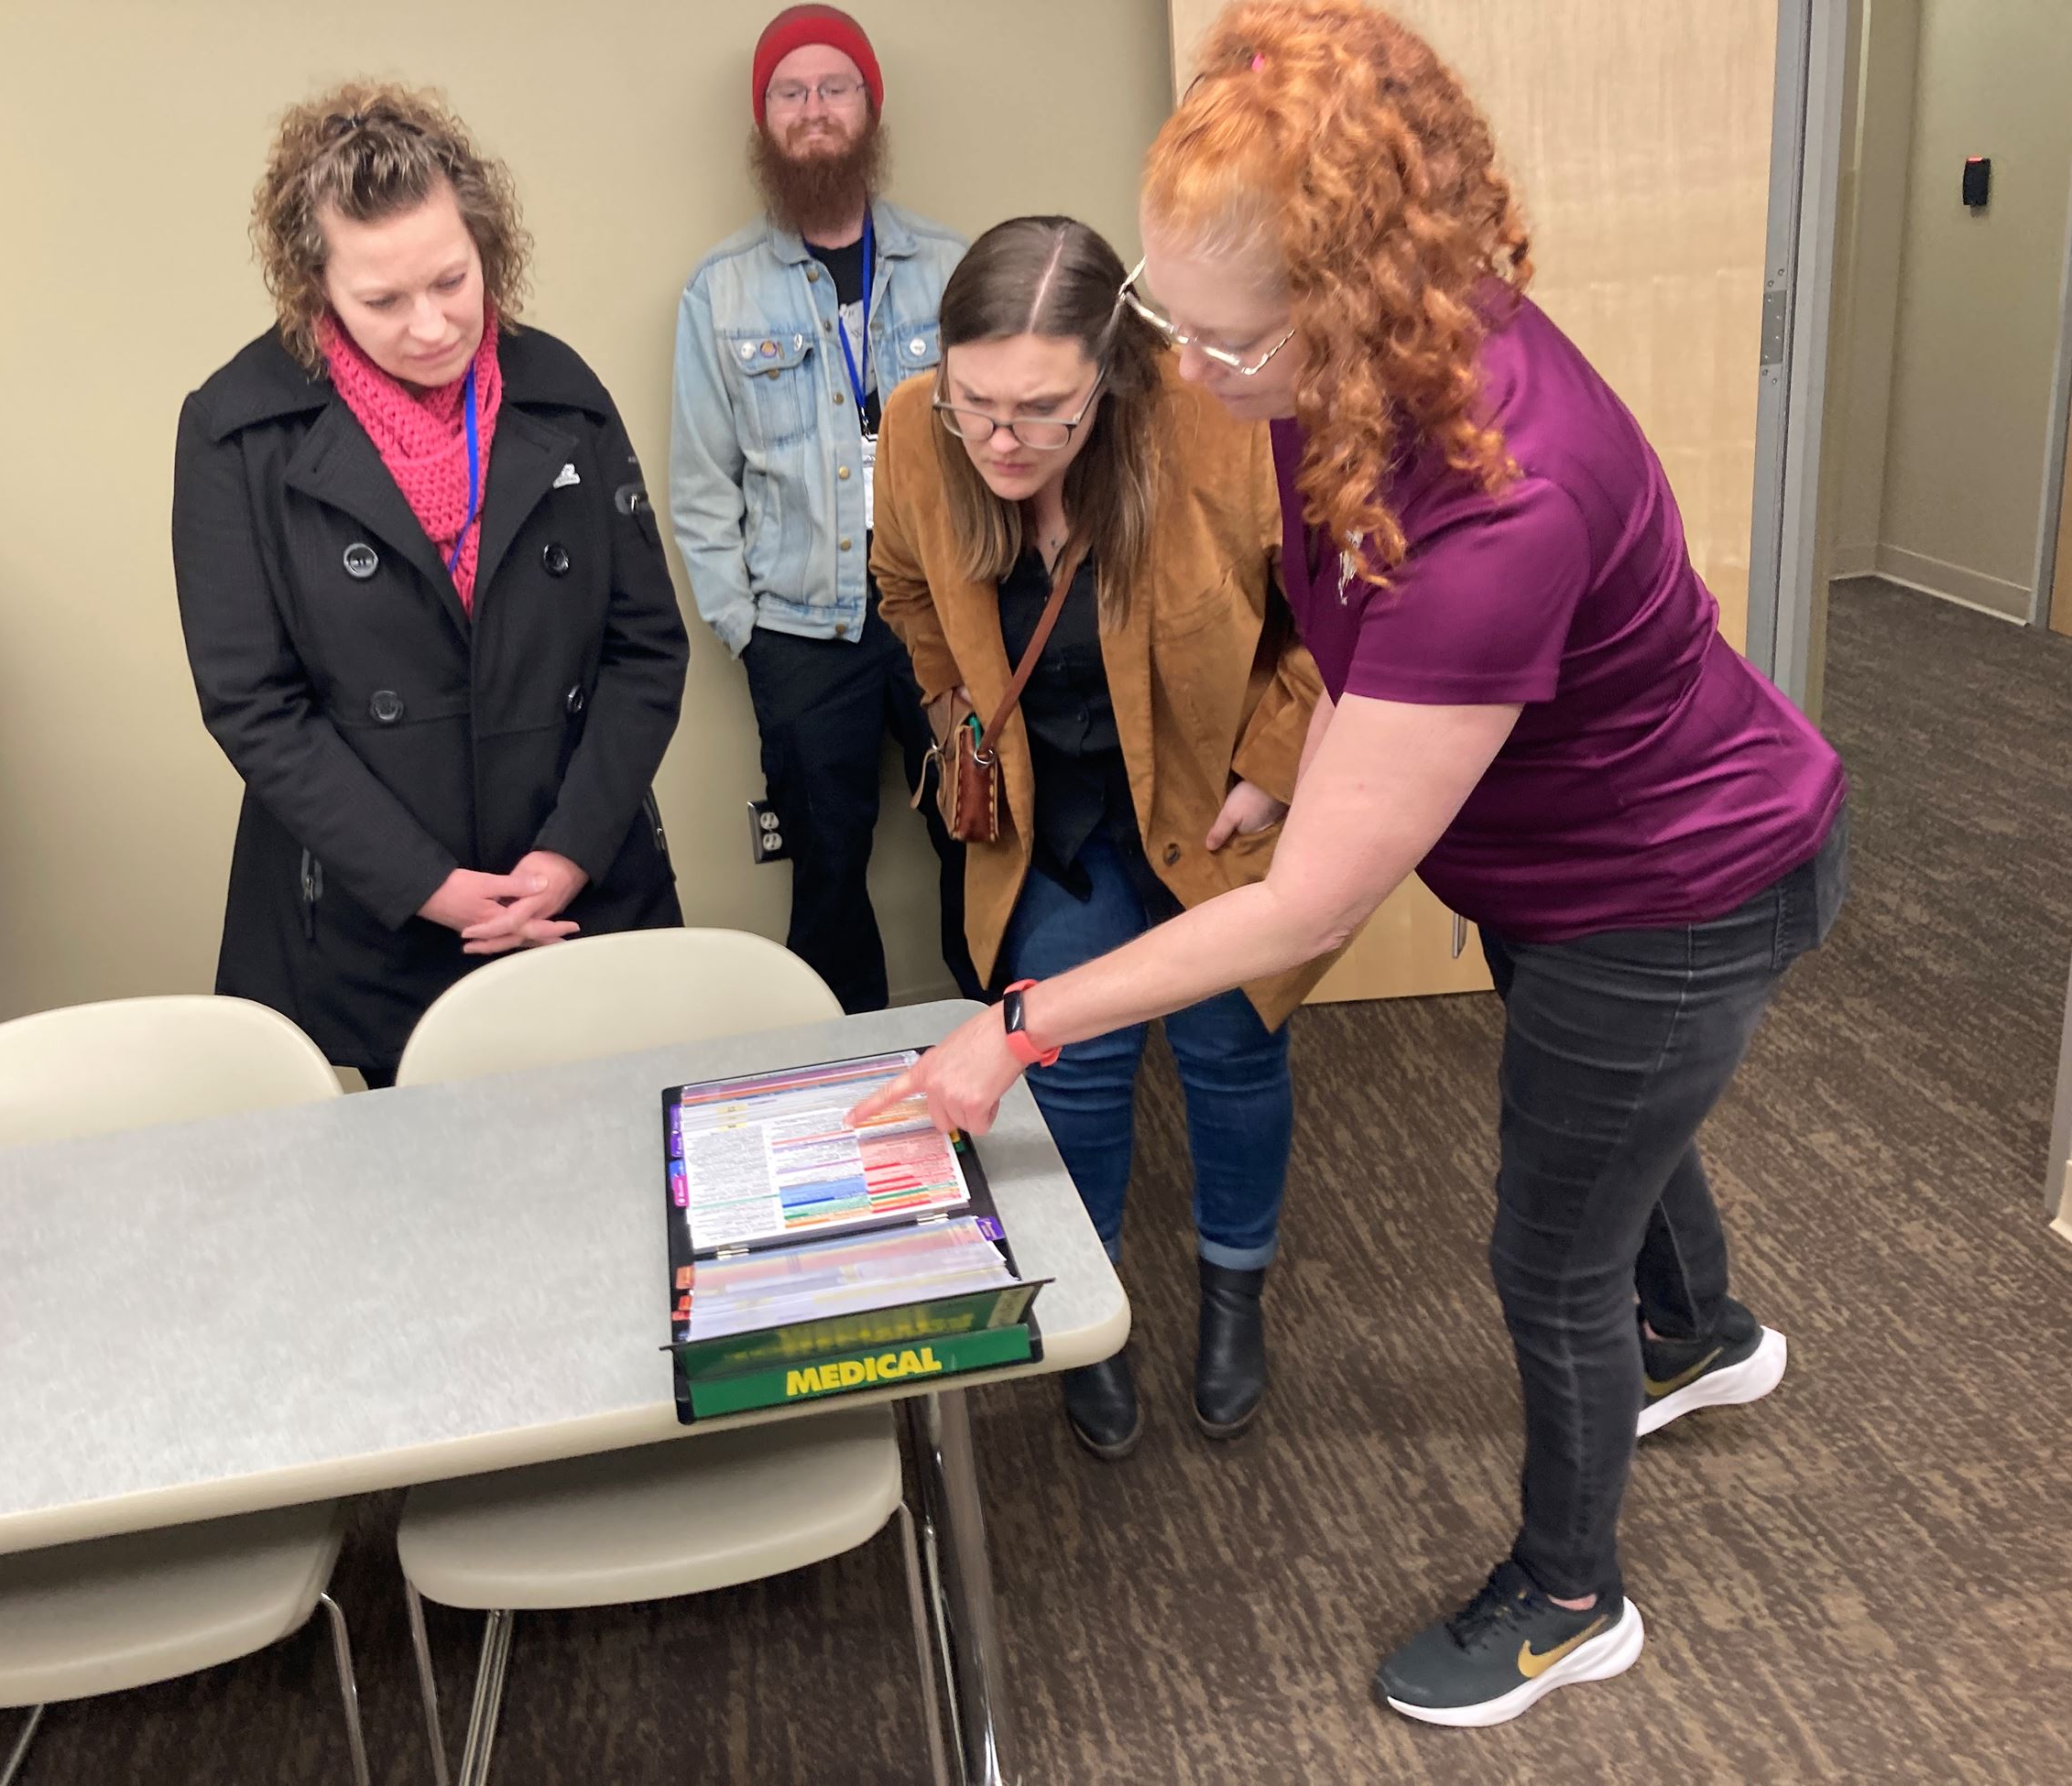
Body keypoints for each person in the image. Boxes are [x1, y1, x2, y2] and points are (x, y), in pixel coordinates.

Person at [856, 0, 1849, 1730]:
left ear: (1349, 299)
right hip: (1559, 869)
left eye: (1219, 335)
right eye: (1166, 314)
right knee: (1618, 1146)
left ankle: (1569, 1594)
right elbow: (1344, 654)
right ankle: (1700, 1338)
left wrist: (1016, 1025)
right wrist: (1291, 764)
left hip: (1673, 890)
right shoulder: (1338, 363)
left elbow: (1310, 906)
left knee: (1549, 1258)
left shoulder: (1504, 496)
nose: (1187, 365)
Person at [869, 216, 1334, 1457]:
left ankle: (1235, 1297)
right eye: (978, 403)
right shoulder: (921, 430)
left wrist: (1278, 762)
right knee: (1071, 1059)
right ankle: (1094, 1314)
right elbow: (905, 583)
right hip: (1053, 814)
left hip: (1206, 806)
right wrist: (954, 707)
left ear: (1112, 375)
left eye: (1042, 410)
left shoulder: (1217, 428)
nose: (1002, 440)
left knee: (1233, 1051)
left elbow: (1330, 618)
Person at [174, 82, 689, 1085]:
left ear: (485, 247)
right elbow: (252, 703)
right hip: (369, 910)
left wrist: (568, 855)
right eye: (382, 300)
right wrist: (429, 886)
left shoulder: (563, 397)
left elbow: (643, 651)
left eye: (452, 280)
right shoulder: (236, 431)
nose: (430, 325)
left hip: (573, 883)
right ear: (311, 284)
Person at [671, 4, 980, 1012]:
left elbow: (1003, 447)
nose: (813, 111)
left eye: (833, 88)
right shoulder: (717, 294)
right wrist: (746, 633)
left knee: (977, 846)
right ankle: (844, 1086)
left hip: (944, 614)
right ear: (764, 122)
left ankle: (994, 1051)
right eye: (789, 93)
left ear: (868, 106)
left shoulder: (951, 270)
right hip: (801, 635)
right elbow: (699, 487)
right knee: (826, 873)